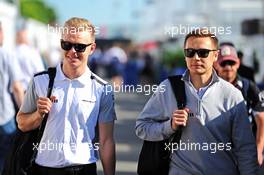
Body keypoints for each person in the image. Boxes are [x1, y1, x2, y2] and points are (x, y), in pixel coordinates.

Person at [135, 28, 258, 175]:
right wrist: (170, 126)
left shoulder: (232, 95)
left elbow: (245, 149)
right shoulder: (168, 88)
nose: (196, 58)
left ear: (215, 56)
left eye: (203, 52)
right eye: (190, 52)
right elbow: (142, 128)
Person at [17, 17, 116, 175]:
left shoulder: (102, 89)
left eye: (79, 47)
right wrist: (38, 114)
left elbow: (106, 141)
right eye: (67, 45)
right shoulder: (40, 81)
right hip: (43, 169)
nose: (72, 52)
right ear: (61, 43)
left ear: (92, 48)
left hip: (84, 168)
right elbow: (22, 123)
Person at [214, 44, 264, 166]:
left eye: (231, 63)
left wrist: (258, 149)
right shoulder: (209, 89)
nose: (228, 67)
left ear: (238, 63)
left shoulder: (249, 87)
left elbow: (261, 120)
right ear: (215, 65)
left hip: (246, 150)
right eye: (223, 63)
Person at [0, 21, 24, 173]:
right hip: (4, 117)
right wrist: (24, 114)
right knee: (8, 160)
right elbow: (17, 87)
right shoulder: (7, 54)